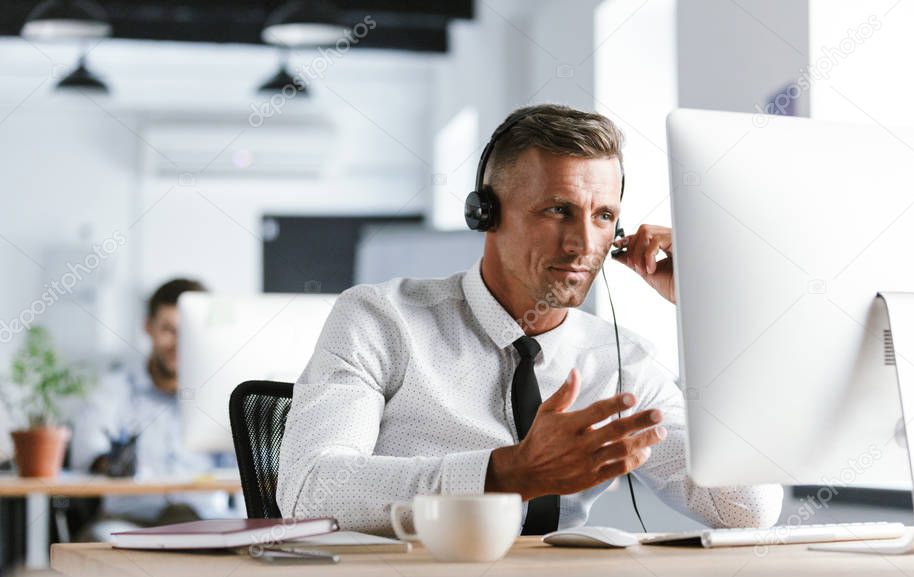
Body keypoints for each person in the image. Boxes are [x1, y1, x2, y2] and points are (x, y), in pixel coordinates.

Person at [277, 104, 783, 535]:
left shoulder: (622, 362)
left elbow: (749, 508)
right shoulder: (383, 320)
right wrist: (507, 474)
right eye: (558, 210)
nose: (584, 244)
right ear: (486, 215)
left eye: (604, 216)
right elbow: (310, 491)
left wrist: (711, 313)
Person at [72, 278, 234, 540]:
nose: (178, 343)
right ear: (149, 327)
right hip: (130, 519)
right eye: (168, 330)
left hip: (203, 519)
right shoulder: (114, 389)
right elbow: (87, 455)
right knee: (100, 541)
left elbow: (246, 467)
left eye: (188, 332)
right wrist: (111, 463)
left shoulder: (223, 395)